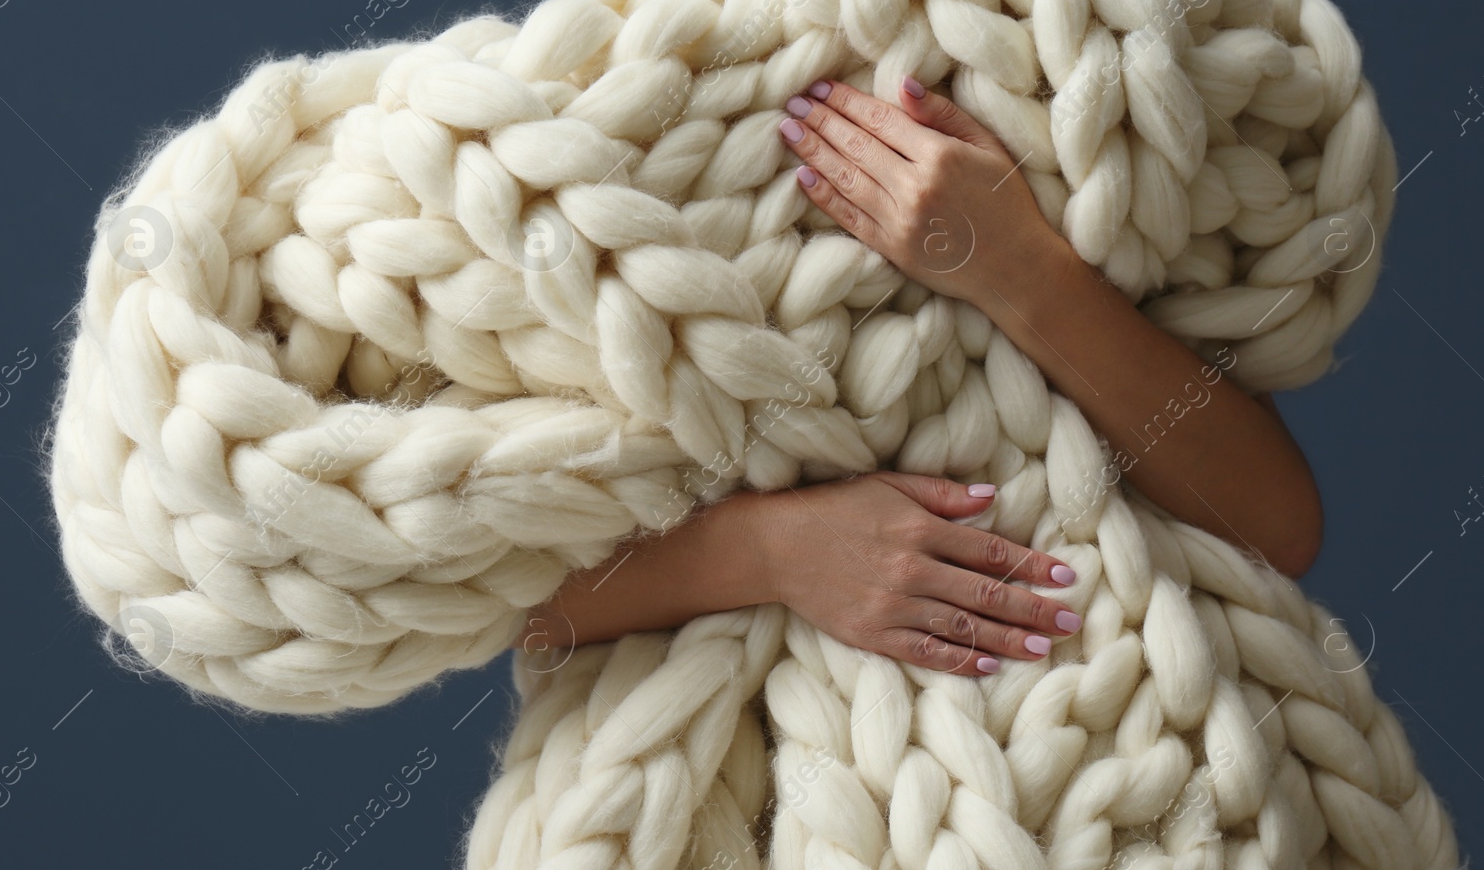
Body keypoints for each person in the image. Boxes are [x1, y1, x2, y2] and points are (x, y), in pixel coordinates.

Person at [514, 75, 1321, 678]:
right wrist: (773, 550)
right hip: (759, 814)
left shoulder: (1074, 77)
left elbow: (1273, 524)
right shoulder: (612, 108)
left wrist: (1018, 269)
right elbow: (504, 596)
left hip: (1141, 757)